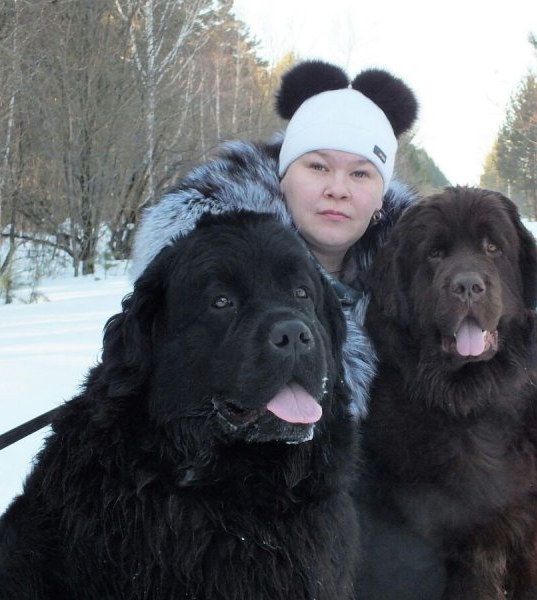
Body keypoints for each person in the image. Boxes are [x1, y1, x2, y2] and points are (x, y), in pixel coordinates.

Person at [129, 59, 418, 419]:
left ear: (381, 198)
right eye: (317, 167)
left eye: (361, 173)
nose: (338, 190)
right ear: (283, 176)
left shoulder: (415, 294)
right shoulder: (203, 268)